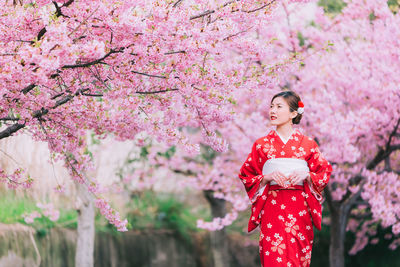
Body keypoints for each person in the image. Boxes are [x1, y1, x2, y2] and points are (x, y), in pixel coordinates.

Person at [238, 90, 332, 267]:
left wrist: (308, 175)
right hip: (272, 208)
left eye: (279, 106)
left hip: (299, 208)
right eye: (271, 106)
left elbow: (324, 171)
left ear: (293, 113)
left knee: (298, 256)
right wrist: (266, 178)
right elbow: (246, 174)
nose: (272, 110)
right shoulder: (261, 144)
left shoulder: (308, 144)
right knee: (274, 255)